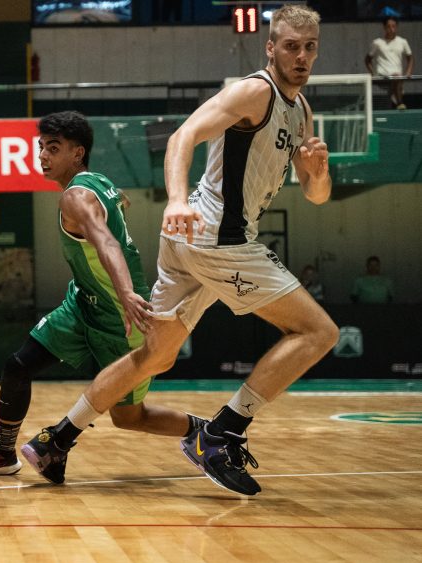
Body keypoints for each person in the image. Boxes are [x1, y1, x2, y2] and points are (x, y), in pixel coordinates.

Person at [21, 5, 338, 496]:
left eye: (309, 47)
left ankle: (56, 439)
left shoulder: (301, 113)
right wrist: (173, 198)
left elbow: (316, 195)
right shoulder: (254, 91)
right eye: (290, 46)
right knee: (318, 331)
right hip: (218, 238)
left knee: (154, 357)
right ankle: (222, 432)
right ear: (270, 47)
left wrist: (317, 172)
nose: (300, 56)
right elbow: (183, 135)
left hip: (192, 243)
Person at [0, 111, 207, 480]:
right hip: (83, 303)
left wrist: (124, 295)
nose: (43, 155)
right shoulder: (97, 183)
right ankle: (3, 453)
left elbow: (105, 242)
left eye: (53, 148)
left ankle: (206, 431)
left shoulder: (75, 197)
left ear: (77, 154)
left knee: (128, 418)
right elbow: (111, 214)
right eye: (41, 147)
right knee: (18, 365)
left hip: (121, 314)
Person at [365, 17, 414, 110]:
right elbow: (367, 60)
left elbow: (410, 58)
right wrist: (373, 74)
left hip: (397, 77)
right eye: (389, 26)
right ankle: (399, 103)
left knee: (397, 79)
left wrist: (408, 72)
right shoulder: (377, 43)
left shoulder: (403, 42)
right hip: (382, 76)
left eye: (394, 26)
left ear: (397, 27)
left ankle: (395, 101)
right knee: (395, 78)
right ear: (384, 27)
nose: (391, 29)